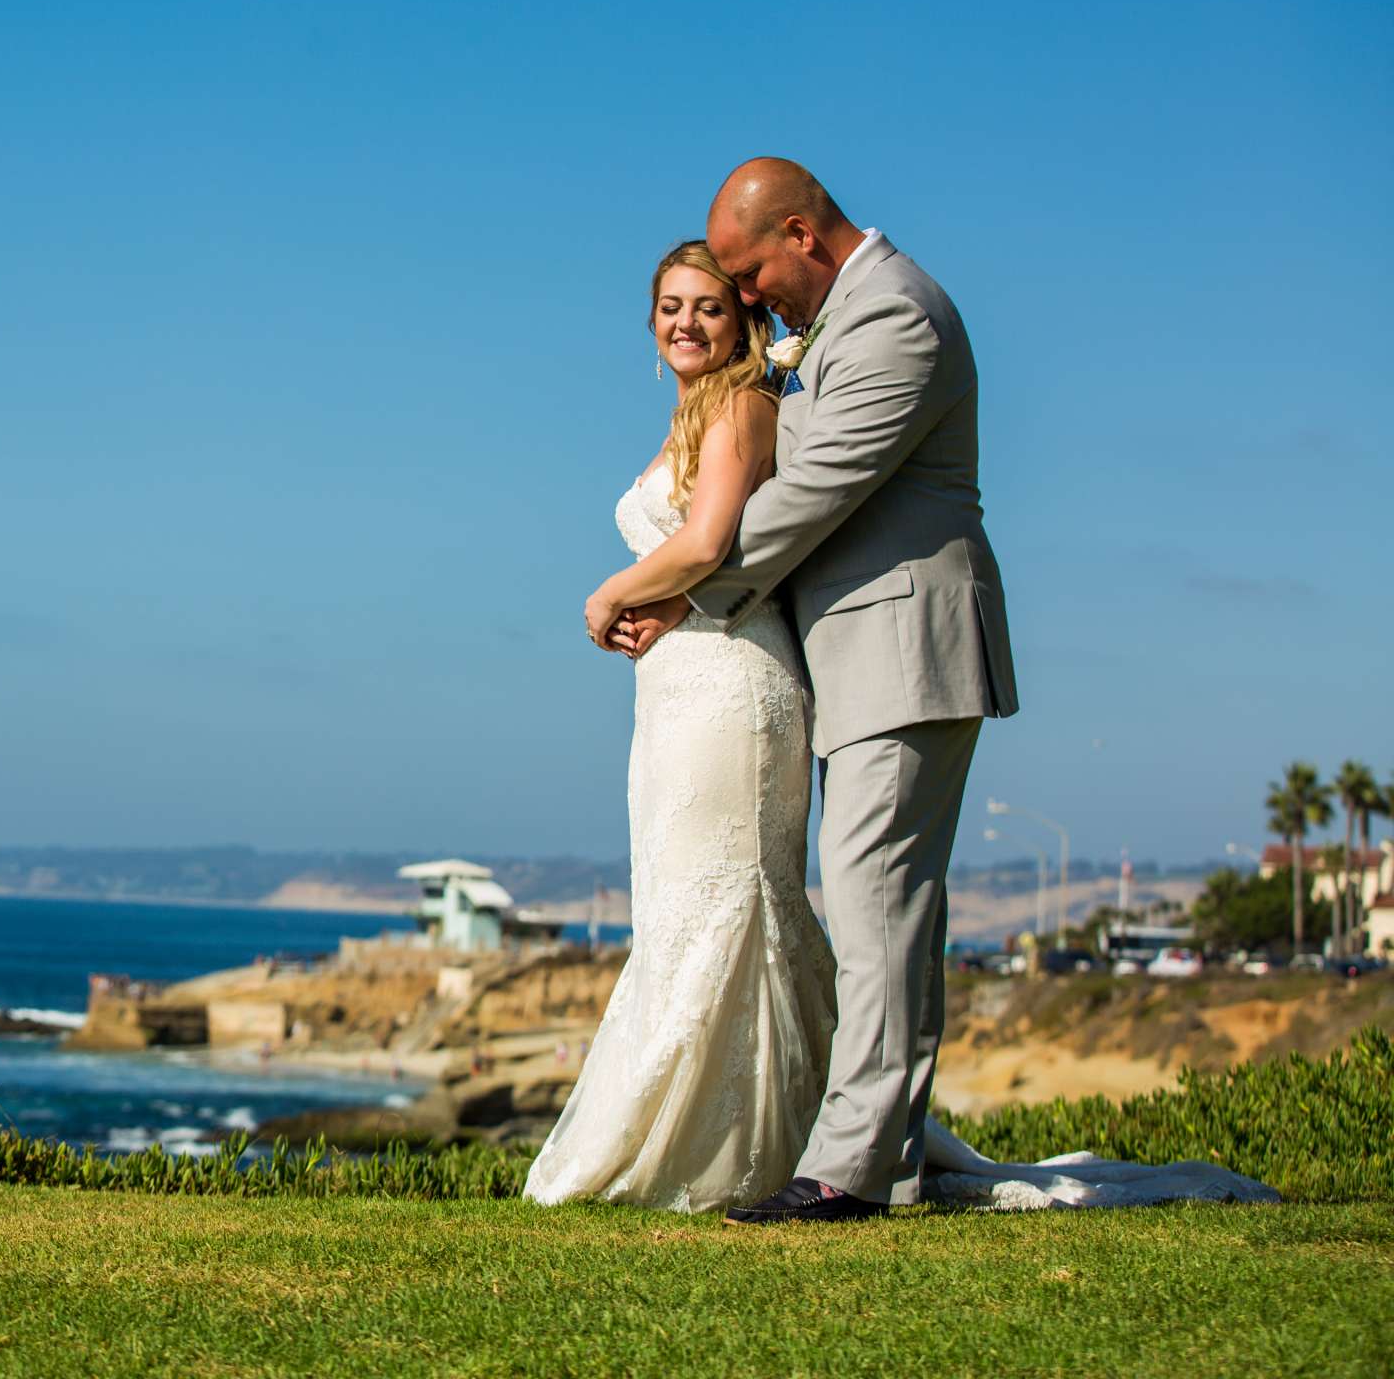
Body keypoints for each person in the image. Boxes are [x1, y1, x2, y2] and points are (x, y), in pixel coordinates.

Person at [533, 164, 1276, 1217]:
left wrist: (673, 593)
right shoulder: (838, 321)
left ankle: (853, 1170)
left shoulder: (897, 318)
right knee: (868, 901)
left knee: (879, 903)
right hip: (850, 656)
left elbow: (811, 494)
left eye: (748, 277)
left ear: (802, 233)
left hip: (906, 648)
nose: (748, 303)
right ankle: (847, 1144)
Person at [521, 237, 836, 1213]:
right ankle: (737, 1137)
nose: (686, 322)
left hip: (734, 687)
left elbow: (707, 541)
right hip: (679, 685)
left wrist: (608, 594)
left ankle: (735, 1151)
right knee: (681, 902)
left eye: (705, 304)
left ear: (741, 317)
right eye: (669, 306)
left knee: (730, 900)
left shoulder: (745, 403)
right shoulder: (690, 411)